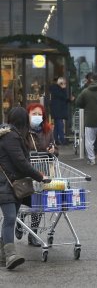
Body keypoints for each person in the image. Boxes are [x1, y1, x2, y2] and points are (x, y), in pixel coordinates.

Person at [0, 107, 46, 270]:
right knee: (11, 217)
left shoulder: (12, 135)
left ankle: (3, 255)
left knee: (10, 219)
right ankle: (11, 255)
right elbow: (21, 162)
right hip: (6, 184)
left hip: (14, 184)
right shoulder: (11, 137)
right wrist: (40, 177)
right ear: (23, 121)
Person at [15, 103, 58, 247]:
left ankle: (33, 233)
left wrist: (53, 150)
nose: (37, 117)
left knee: (39, 203)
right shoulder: (22, 132)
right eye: (34, 114)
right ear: (28, 115)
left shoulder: (47, 131)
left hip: (43, 170)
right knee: (29, 199)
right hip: (28, 171)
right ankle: (20, 219)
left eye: (40, 114)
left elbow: (55, 149)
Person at [49, 77, 74, 145]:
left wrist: (69, 100)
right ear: (60, 83)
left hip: (58, 110)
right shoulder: (56, 89)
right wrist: (63, 89)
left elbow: (63, 99)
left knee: (57, 126)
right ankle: (62, 140)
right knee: (60, 125)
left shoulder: (57, 89)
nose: (65, 85)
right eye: (64, 83)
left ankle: (56, 140)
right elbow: (62, 96)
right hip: (57, 110)